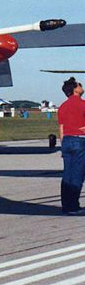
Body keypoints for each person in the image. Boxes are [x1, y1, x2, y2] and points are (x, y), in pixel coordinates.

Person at [57, 77, 85, 215]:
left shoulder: (62, 106)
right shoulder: (82, 104)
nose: (82, 86)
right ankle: (74, 206)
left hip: (66, 141)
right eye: (80, 85)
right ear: (75, 89)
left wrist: (63, 146)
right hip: (79, 141)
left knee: (67, 174)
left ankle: (66, 205)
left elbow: (61, 128)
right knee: (78, 174)